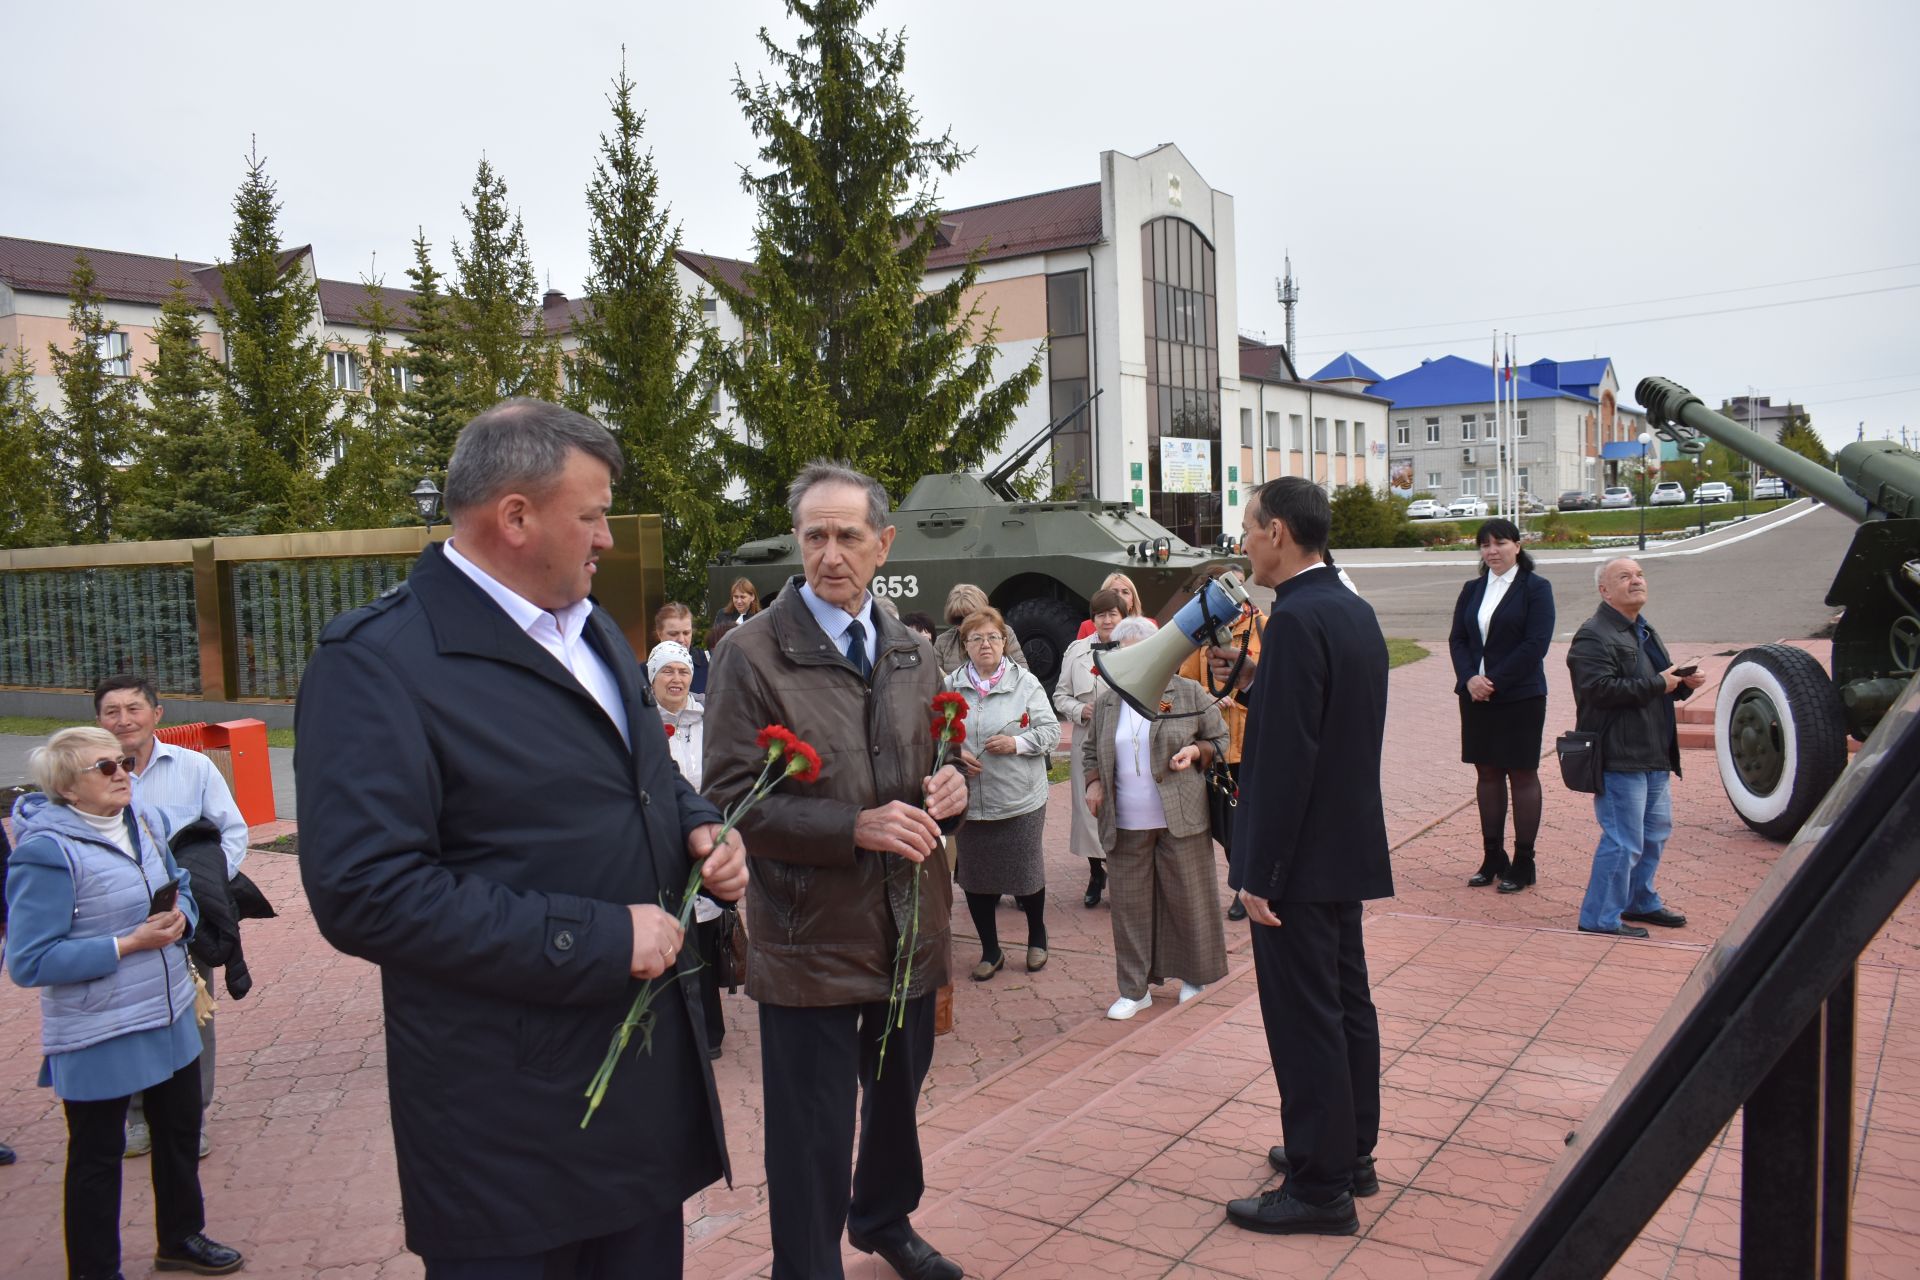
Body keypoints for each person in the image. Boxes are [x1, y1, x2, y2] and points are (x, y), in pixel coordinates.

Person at [294, 399, 748, 1277]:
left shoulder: (593, 632)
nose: (606, 538)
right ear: (515, 517)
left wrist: (700, 829)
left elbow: (643, 777)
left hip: (637, 1104)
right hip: (506, 1126)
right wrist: (601, 937)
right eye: (592, 514)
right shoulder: (378, 662)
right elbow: (365, 893)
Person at [704, 460, 970, 1280]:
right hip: (810, 935)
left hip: (907, 928)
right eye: (814, 535)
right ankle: (806, 1265)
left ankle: (883, 1219)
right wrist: (853, 826)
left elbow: (938, 753)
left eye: (847, 535)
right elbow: (729, 800)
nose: (829, 553)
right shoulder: (750, 656)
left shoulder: (909, 651)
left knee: (895, 1106)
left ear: (882, 544)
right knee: (811, 1131)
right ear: (798, 541)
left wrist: (956, 783)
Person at [1215, 477, 1392, 1237]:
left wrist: (1261, 872)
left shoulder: (1292, 623)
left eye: (1249, 528)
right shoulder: (1350, 610)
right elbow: (1332, 720)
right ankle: (1348, 1152)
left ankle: (1320, 1189)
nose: (1244, 542)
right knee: (1346, 1003)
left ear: (1279, 532)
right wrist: (1261, 682)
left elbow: (1286, 759)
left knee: (1304, 1018)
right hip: (1344, 847)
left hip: (1297, 861)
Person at [6, 727, 245, 1279]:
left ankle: (181, 1239)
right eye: (105, 767)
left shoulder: (145, 822)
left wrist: (182, 913)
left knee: (179, 1135)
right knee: (96, 1156)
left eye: (123, 763)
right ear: (67, 787)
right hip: (99, 1028)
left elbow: (179, 881)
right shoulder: (45, 853)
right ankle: (95, 1269)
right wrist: (127, 943)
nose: (123, 774)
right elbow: (30, 961)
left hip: (168, 1009)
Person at [95, 673, 250, 1160]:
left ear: (157, 714)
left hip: (186, 918)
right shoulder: (87, 773)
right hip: (116, 922)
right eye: (112, 711)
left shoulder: (193, 767)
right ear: (98, 720)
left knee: (192, 1017)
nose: (124, 720)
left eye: (134, 708)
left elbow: (233, 833)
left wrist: (200, 894)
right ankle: (137, 1118)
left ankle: (189, 1120)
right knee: (128, 1018)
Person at [1082, 617, 1230, 1019]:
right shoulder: (1109, 700)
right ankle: (1134, 989)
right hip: (1124, 820)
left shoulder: (1186, 693)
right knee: (1129, 907)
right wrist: (1094, 784)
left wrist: (1196, 753)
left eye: (1136, 652)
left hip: (1181, 817)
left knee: (1189, 901)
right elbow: (1090, 752)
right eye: (1122, 653)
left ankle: (1194, 978)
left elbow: (1220, 739)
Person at [1569, 558, 1703, 938]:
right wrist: (1661, 684)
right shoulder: (1593, 634)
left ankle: (1638, 900)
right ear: (1604, 591)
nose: (1636, 581)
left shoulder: (1642, 629)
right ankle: (1598, 918)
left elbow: (1657, 682)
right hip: (1619, 754)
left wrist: (1681, 683)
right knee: (1623, 839)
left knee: (1654, 833)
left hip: (1654, 751)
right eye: (1624, 577)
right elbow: (1598, 691)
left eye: (1640, 575)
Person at [946, 606, 1060, 980]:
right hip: (970, 802)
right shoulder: (950, 685)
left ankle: (1036, 937)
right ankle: (990, 950)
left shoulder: (1024, 682)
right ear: (965, 645)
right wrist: (953, 751)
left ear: (1004, 642)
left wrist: (1016, 743)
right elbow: (932, 732)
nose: (985, 645)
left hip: (1019, 799)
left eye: (993, 637)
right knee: (975, 877)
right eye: (976, 638)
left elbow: (1051, 733)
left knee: (1025, 873)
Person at [1447, 520, 1556, 893]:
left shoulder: (1536, 589)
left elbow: (1535, 644)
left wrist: (1492, 681)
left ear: (1518, 546)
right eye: (1485, 545)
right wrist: (1469, 679)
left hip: (1520, 696)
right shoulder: (1472, 589)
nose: (1492, 550)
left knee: (1522, 774)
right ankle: (1493, 856)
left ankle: (1524, 861)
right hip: (1476, 697)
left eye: (1500, 543)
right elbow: (1458, 639)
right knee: (1487, 774)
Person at [648, 640, 727, 1060]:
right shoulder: (642, 721)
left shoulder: (709, 718)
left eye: (683, 672)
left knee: (705, 938)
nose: (677, 679)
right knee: (673, 934)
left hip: (707, 835)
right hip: (665, 841)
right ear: (652, 679)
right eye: (667, 672)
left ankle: (710, 1032)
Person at [1176, 583, 1264, 921]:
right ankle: (1241, 885)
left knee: (1251, 822)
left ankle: (1250, 884)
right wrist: (1209, 695)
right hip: (1217, 747)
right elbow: (1186, 683)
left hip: (1252, 744)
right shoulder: (1198, 637)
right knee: (1228, 826)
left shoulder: (1262, 627)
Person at [1053, 589, 1126, 908]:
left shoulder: (1136, 646)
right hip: (1088, 741)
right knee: (1089, 809)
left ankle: (1124, 872)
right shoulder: (1077, 650)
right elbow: (1060, 695)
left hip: (1125, 737)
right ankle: (1096, 874)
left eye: (1113, 614)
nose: (1107, 620)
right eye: (1101, 615)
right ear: (1092, 619)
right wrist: (1079, 710)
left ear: (1123, 616)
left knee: (1125, 805)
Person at [932, 583, 1027, 676]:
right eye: (959, 619)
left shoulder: (1004, 633)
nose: (965, 625)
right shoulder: (942, 643)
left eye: (971, 618)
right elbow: (933, 684)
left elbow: (1024, 677)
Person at [655, 602, 712, 698]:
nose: (681, 640)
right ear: (659, 633)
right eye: (673, 634)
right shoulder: (643, 672)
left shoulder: (710, 663)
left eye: (686, 633)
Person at [1075, 572, 1143, 639]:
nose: (1120, 596)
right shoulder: (1086, 627)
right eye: (1114, 592)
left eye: (1125, 592)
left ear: (1132, 601)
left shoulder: (1147, 626)